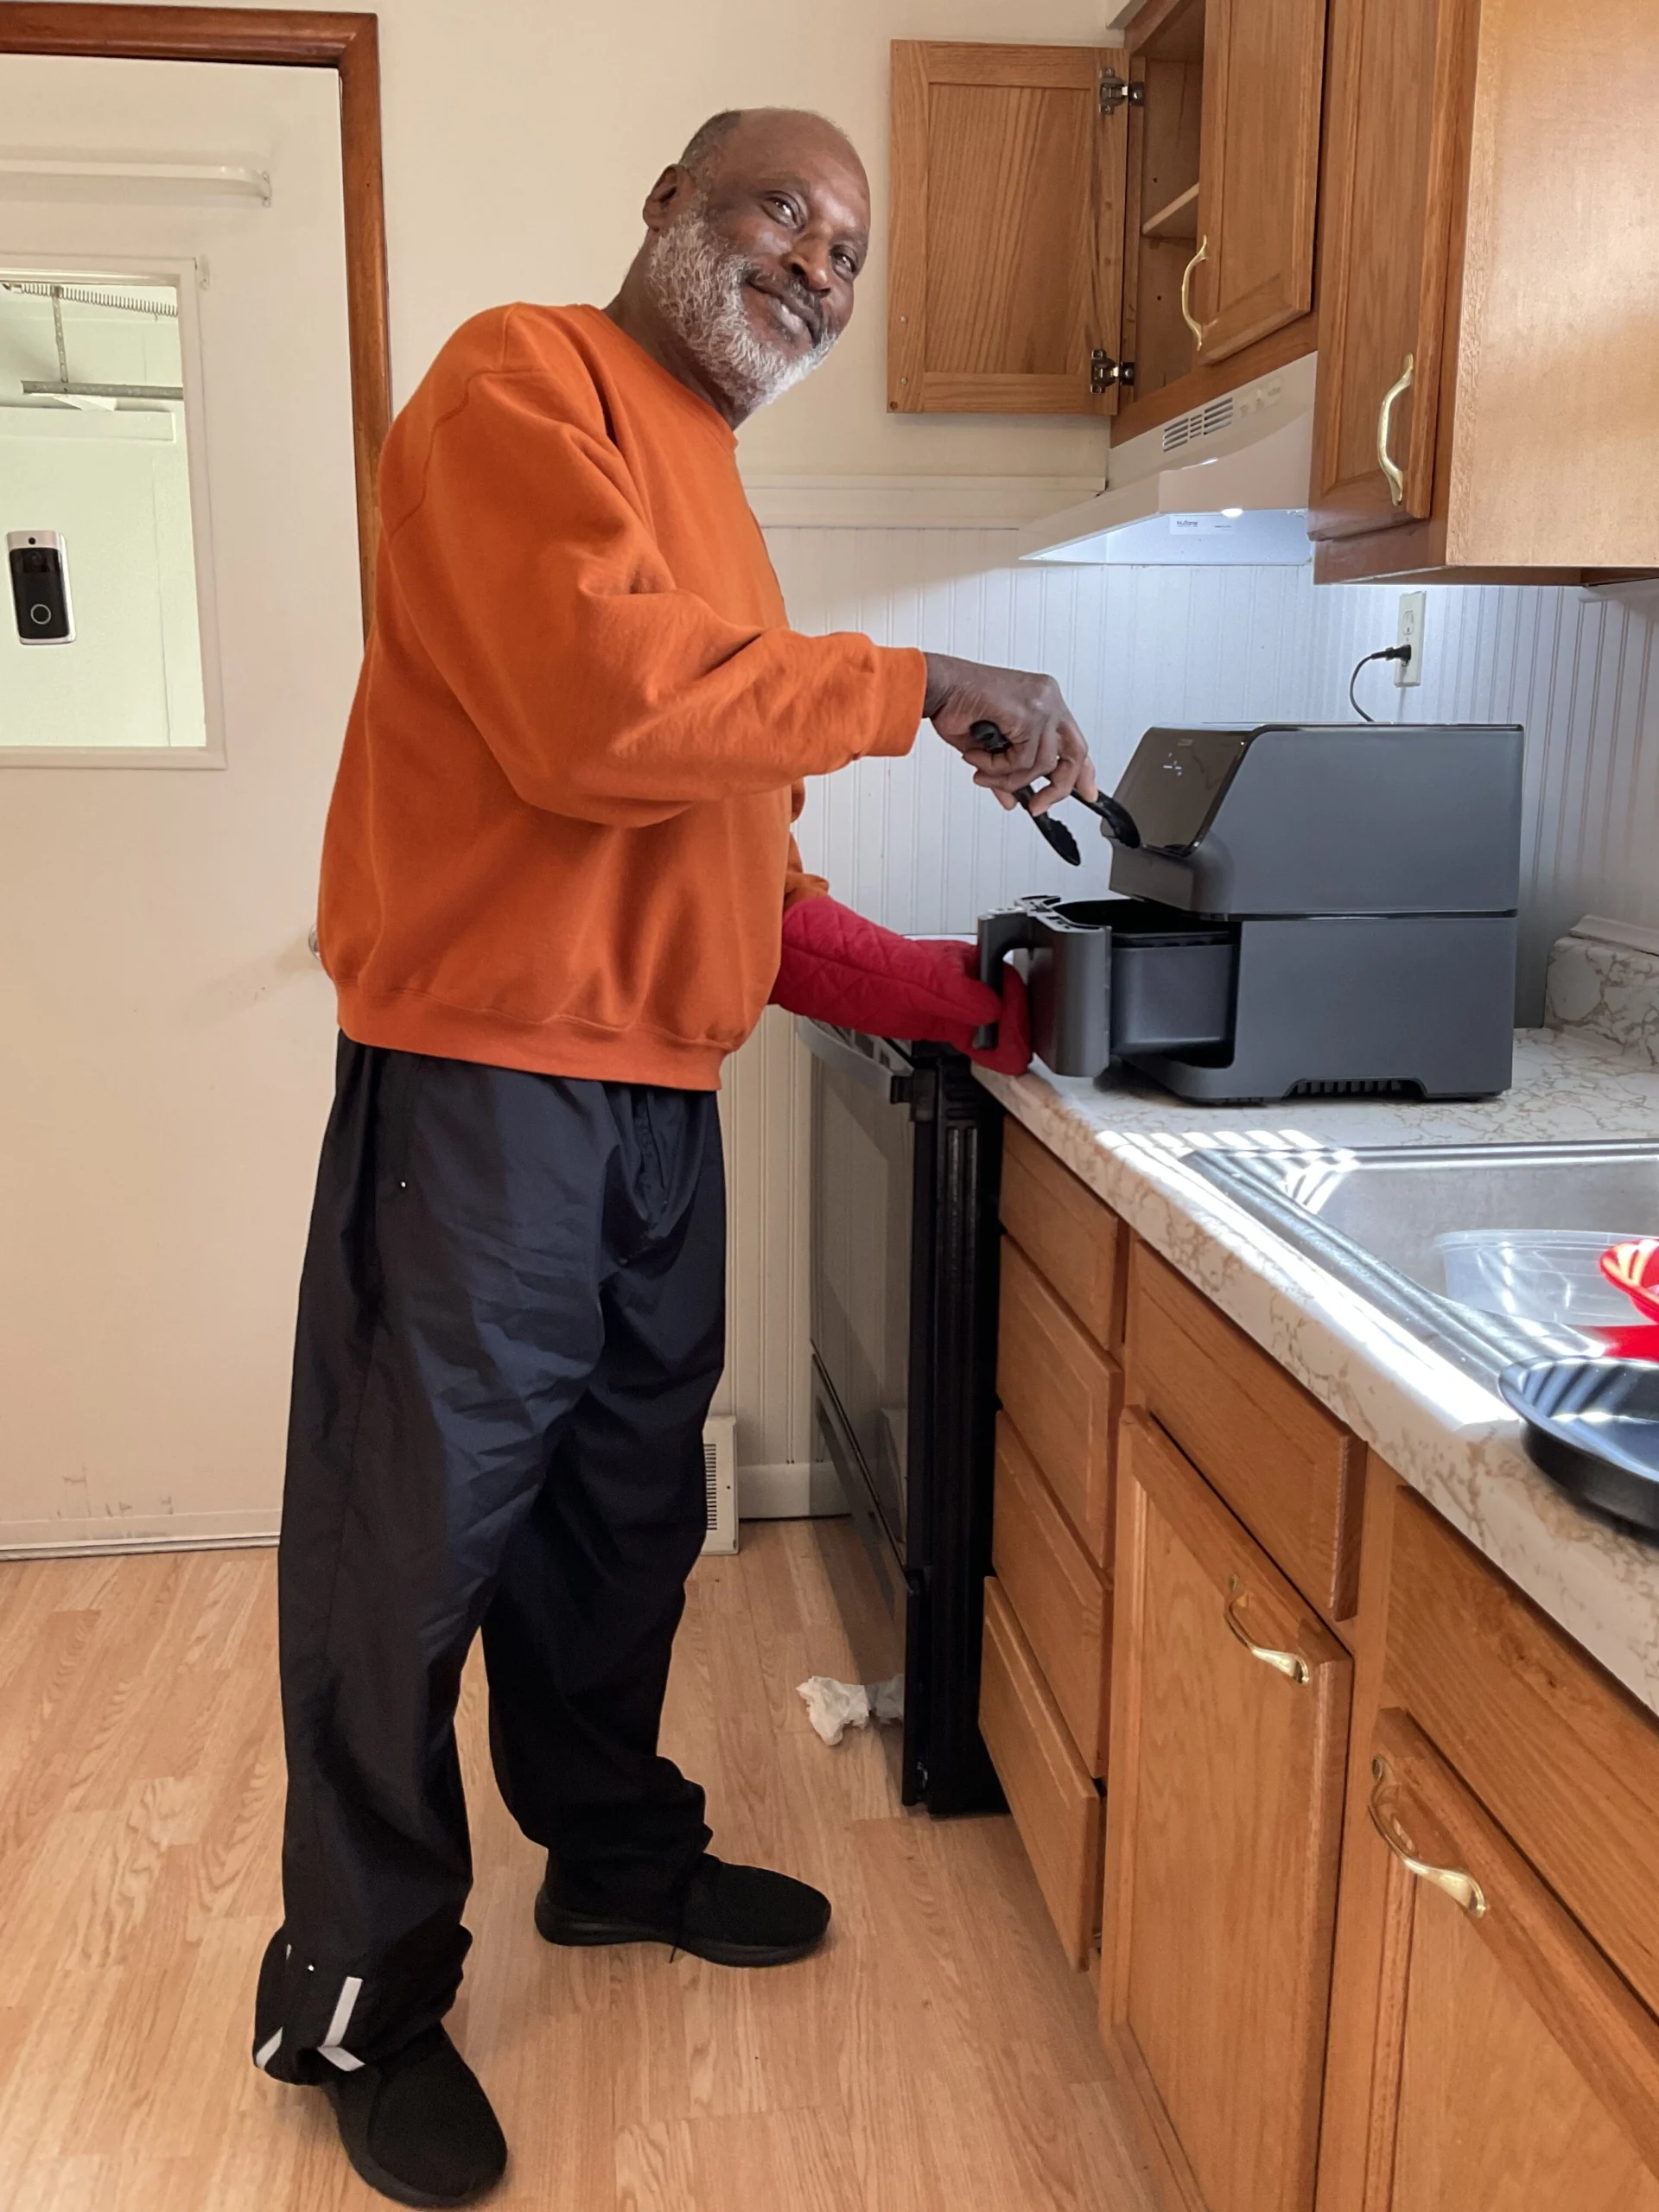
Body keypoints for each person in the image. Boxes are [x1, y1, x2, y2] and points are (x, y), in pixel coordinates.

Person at [251, 105, 1099, 2208]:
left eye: (849, 249)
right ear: (668, 208)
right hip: (479, 1094)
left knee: (621, 1523)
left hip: (652, 1114)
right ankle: (357, 1983)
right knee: (409, 1549)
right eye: (781, 214)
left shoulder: (720, 499)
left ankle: (612, 1861)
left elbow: (737, 868)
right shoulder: (516, 383)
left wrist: (975, 1002)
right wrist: (919, 682)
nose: (818, 264)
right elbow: (589, 710)